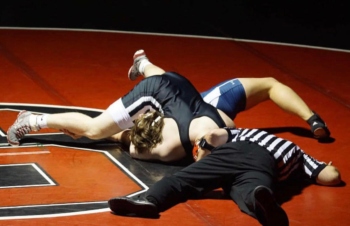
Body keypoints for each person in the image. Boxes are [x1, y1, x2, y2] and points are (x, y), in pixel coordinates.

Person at [7, 49, 330, 163]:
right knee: (94, 129)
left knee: (171, 93)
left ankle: (145, 62)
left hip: (179, 87)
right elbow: (121, 138)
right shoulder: (178, 145)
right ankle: (34, 120)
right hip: (157, 91)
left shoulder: (221, 128)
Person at [108, 127, 341, 226]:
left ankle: (150, 202)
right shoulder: (298, 154)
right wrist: (328, 166)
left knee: (181, 179)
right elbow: (330, 177)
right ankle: (261, 195)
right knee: (248, 192)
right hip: (264, 164)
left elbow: (213, 134)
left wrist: (204, 159)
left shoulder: (246, 132)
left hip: (233, 151)